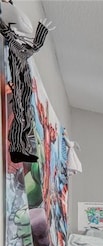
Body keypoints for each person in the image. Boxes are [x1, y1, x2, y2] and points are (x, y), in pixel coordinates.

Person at [0, 0, 54, 162]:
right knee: (20, 106)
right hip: (17, 66)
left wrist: (40, 34)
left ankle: (20, 148)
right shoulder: (14, 40)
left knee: (27, 110)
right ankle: (17, 148)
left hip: (22, 65)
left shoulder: (20, 45)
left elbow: (32, 47)